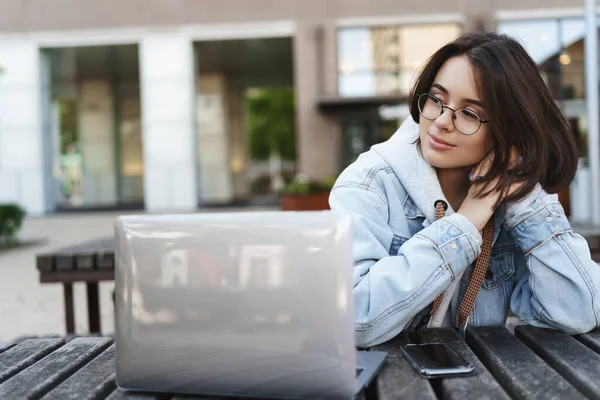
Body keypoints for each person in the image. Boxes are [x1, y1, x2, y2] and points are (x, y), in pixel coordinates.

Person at [329, 32, 600, 348]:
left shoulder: (510, 201)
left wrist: (525, 200)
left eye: (470, 113)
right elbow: (356, 322)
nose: (442, 121)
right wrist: (465, 224)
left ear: (510, 130)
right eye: (436, 99)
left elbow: (580, 311)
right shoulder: (368, 184)